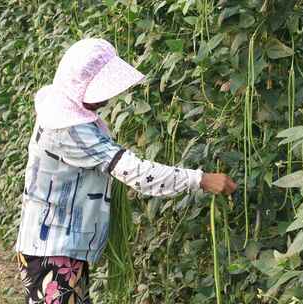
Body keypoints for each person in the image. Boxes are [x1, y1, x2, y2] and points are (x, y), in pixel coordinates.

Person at [15, 38, 237, 304]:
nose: (109, 96)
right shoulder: (68, 129)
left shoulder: (66, 110)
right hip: (52, 250)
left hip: (56, 246)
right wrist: (199, 179)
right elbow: (135, 172)